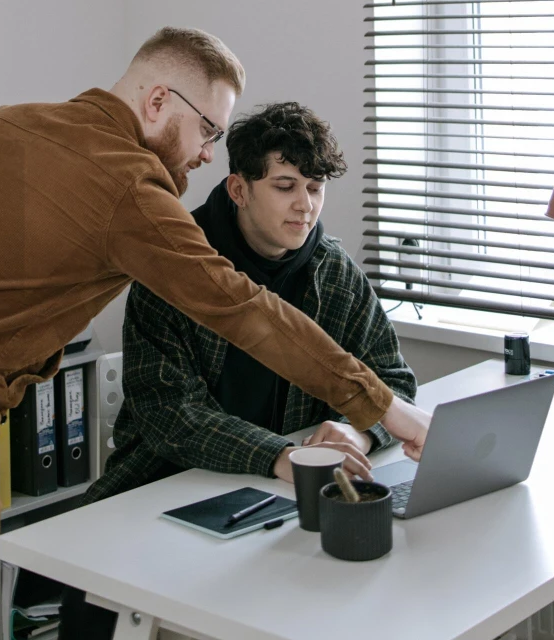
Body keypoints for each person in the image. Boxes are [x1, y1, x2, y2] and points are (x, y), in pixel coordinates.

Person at [0, 28, 431, 640]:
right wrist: (384, 408)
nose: (208, 154)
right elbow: (241, 308)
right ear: (158, 101)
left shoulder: (1, 122)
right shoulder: (129, 187)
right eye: (207, 130)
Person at [58, 101, 418, 639]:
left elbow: (394, 380)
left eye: (315, 188)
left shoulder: (334, 270)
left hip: (280, 496)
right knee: (95, 599)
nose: (305, 206)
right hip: (164, 484)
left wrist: (359, 432)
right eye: (285, 186)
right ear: (238, 189)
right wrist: (279, 455)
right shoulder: (176, 265)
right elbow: (170, 414)